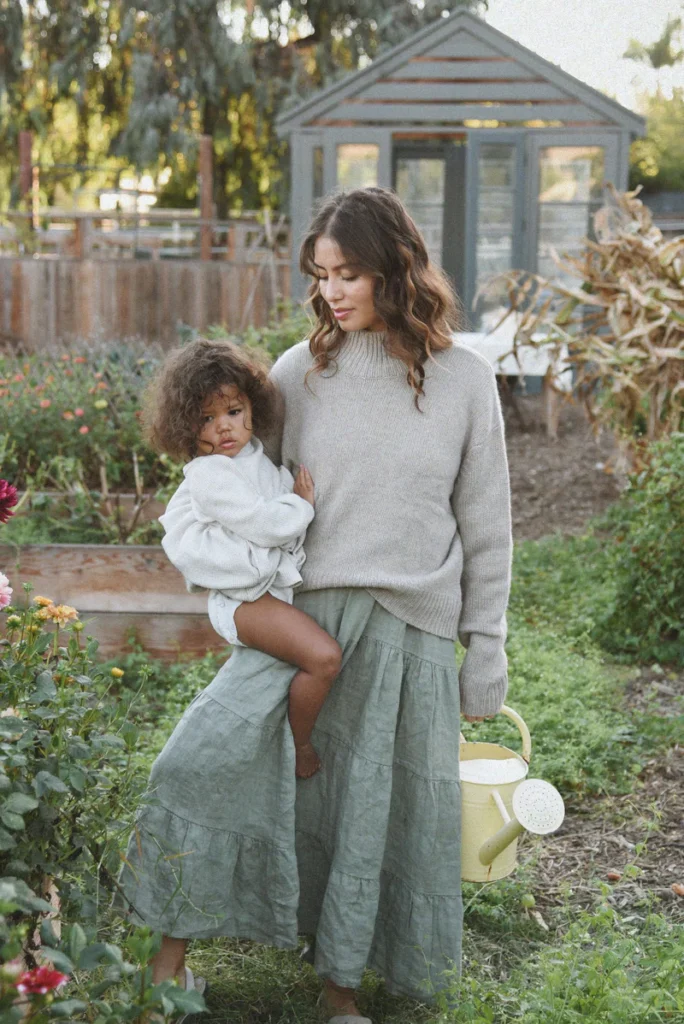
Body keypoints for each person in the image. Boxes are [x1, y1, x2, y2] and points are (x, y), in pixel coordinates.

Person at [117, 186, 512, 1023]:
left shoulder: (465, 382)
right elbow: (233, 484)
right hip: (307, 627)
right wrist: (230, 588)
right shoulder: (299, 373)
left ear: (396, 270)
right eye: (322, 275)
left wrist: (488, 646)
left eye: (350, 274)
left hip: (409, 629)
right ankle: (167, 961)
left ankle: (342, 993)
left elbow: (487, 526)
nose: (332, 292)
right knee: (199, 762)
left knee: (369, 813)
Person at [145, 339, 342, 779]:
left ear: (252, 408)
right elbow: (263, 523)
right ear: (185, 426)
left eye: (233, 412)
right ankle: (299, 746)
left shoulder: (252, 457)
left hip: (262, 590)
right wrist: (301, 505)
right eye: (207, 418)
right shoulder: (210, 473)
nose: (224, 428)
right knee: (324, 658)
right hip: (242, 601)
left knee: (296, 666)